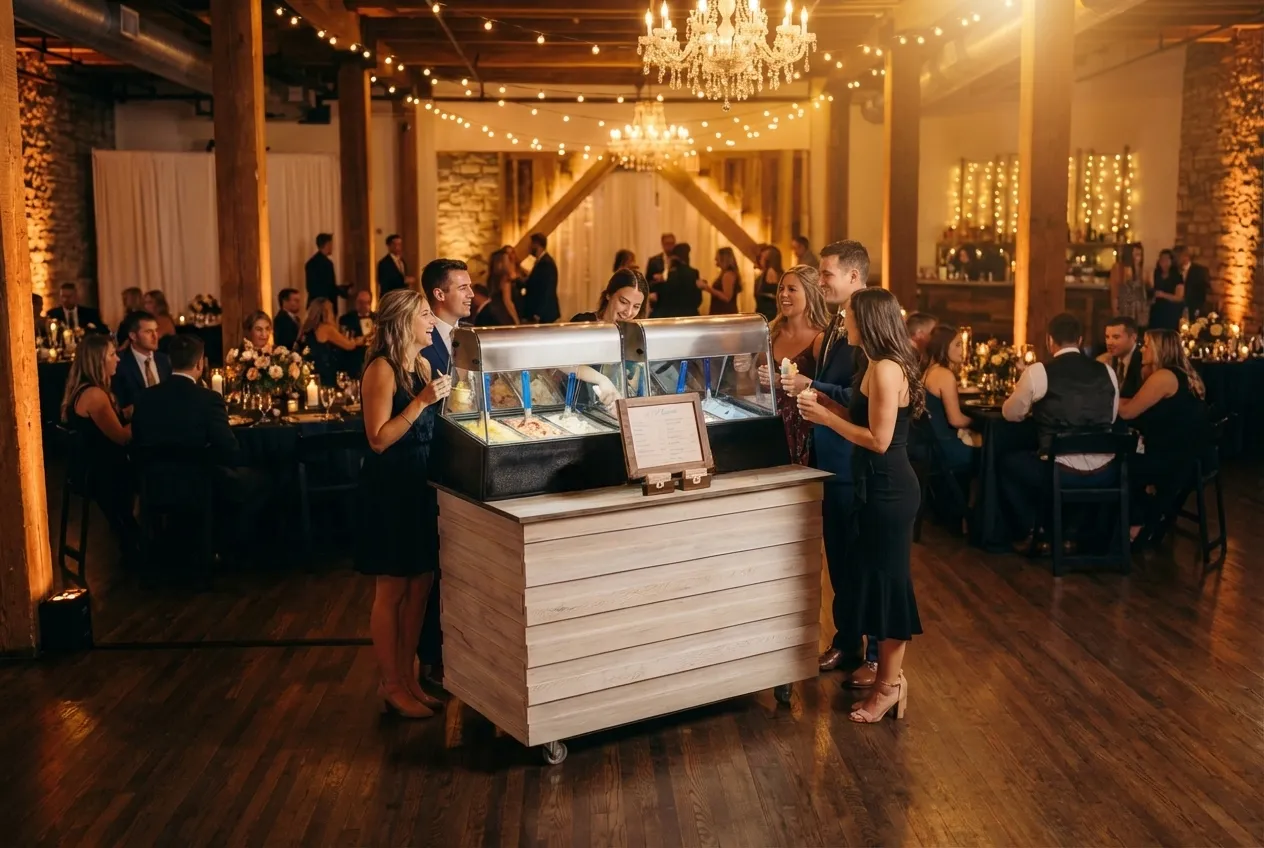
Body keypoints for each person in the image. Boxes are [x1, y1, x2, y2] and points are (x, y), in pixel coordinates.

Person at [797, 287, 924, 723]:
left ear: (867, 321)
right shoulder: (873, 364)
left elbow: (879, 440)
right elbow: (862, 418)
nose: (843, 321)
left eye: (848, 316)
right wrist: (828, 402)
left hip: (889, 490)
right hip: (874, 488)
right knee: (874, 581)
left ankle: (890, 686)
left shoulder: (888, 369)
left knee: (889, 588)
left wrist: (826, 419)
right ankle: (888, 678)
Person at [780, 240, 879, 683]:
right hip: (828, 455)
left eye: (826, 274)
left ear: (855, 277)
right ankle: (846, 641)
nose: (821, 281)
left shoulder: (870, 326)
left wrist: (812, 385)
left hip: (856, 457)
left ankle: (876, 654)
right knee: (838, 557)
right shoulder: (839, 322)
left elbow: (863, 399)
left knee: (865, 558)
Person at [358, 288, 451, 719]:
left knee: (422, 584)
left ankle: (410, 675)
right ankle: (390, 682)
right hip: (392, 484)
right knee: (393, 587)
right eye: (426, 315)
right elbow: (378, 439)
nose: (432, 322)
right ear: (403, 322)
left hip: (422, 481)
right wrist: (421, 402)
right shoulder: (381, 369)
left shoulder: (424, 363)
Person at [1000, 312, 1120, 553]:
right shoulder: (1106, 371)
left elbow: (1010, 414)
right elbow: (1112, 417)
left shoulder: (1039, 372)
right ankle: (1071, 534)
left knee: (1006, 463)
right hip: (1106, 472)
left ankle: (1034, 531)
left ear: (1049, 340)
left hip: (1061, 472)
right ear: (1080, 340)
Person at [1118, 329, 1211, 541]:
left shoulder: (1164, 377)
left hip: (1173, 461)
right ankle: (1151, 516)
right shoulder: (1185, 373)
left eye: (1147, 345)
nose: (1142, 349)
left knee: (1118, 465)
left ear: (1160, 349)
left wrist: (1103, 399)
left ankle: (1138, 522)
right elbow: (1134, 404)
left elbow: (1128, 412)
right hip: (1193, 457)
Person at [60, 333, 138, 560]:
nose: (118, 359)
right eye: (112, 355)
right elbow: (122, 438)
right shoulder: (94, 395)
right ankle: (143, 543)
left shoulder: (87, 389)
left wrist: (127, 412)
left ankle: (136, 537)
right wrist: (145, 417)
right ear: (98, 361)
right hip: (101, 474)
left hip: (93, 468)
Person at [760, 265, 828, 465]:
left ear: (811, 294)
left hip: (805, 430)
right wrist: (744, 365)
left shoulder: (821, 338)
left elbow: (828, 390)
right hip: (772, 427)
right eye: (781, 288)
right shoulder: (770, 333)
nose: (783, 294)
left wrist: (784, 382)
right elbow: (754, 382)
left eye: (792, 289)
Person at [919, 326, 977, 473]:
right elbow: (956, 420)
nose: (962, 349)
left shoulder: (929, 370)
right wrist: (980, 422)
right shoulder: (944, 375)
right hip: (946, 449)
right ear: (943, 346)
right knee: (992, 454)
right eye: (957, 344)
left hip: (933, 447)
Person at [420, 259, 474, 376]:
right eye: (463, 288)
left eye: (470, 287)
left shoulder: (472, 333)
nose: (471, 294)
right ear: (440, 295)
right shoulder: (419, 337)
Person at [113, 311, 172, 412]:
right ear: (133, 336)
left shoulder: (165, 360)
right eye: (148, 332)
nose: (155, 336)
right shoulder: (119, 363)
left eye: (156, 330)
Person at [298, 297, 362, 385]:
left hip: (310, 371)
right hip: (325, 371)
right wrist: (360, 340)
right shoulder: (326, 328)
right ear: (326, 312)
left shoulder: (306, 327)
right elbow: (349, 345)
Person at [571, 268, 650, 323]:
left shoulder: (635, 336)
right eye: (623, 302)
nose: (628, 313)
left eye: (636, 306)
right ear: (609, 294)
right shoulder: (583, 323)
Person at [1096, 316, 1144, 399]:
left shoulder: (1143, 361)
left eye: (1116, 337)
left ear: (1133, 337)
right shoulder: (1104, 360)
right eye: (1107, 337)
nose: (1109, 342)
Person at [651, 243, 701, 318]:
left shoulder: (670, 274)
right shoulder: (693, 272)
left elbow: (663, 297)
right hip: (690, 314)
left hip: (670, 315)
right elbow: (698, 299)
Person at [305, 233, 350, 310]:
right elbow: (329, 287)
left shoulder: (310, 263)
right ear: (327, 244)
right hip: (326, 306)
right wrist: (343, 290)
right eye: (331, 245)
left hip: (313, 305)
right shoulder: (327, 264)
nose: (332, 247)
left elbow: (311, 287)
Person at [523, 233, 560, 324]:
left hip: (544, 314)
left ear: (536, 244)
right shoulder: (541, 262)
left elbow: (547, 290)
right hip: (541, 313)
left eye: (530, 244)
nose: (529, 247)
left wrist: (538, 314)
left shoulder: (546, 263)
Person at [1110, 251, 1149, 331]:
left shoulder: (1143, 270)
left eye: (1138, 255)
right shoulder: (1119, 268)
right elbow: (1114, 291)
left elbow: (1147, 290)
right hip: (1125, 307)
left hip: (1140, 309)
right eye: (1134, 255)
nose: (1136, 258)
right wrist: (1115, 309)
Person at [1149, 249, 1185, 330]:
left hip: (1171, 311)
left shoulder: (1177, 276)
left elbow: (1179, 297)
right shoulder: (1156, 273)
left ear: (1171, 261)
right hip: (1157, 311)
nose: (1163, 262)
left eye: (1166, 259)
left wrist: (1163, 295)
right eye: (1162, 259)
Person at [484, 247, 521, 326]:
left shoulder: (493, 277)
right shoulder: (505, 278)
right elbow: (508, 302)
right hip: (503, 314)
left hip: (496, 312)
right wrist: (516, 321)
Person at [700, 247, 742, 316]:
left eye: (717, 257)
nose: (715, 259)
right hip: (721, 312)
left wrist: (707, 287)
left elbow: (727, 297)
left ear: (724, 258)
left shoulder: (728, 274)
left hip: (725, 313)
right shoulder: (725, 273)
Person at [1176, 246, 1211, 320]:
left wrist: (1198, 308)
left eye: (1179, 256)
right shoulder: (1174, 271)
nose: (1177, 259)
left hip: (1194, 309)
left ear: (1186, 256)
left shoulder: (1199, 271)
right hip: (1177, 310)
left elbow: (1203, 290)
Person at [754, 245, 784, 322]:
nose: (760, 260)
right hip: (765, 314)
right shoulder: (771, 273)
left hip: (769, 316)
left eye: (762, 257)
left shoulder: (771, 272)